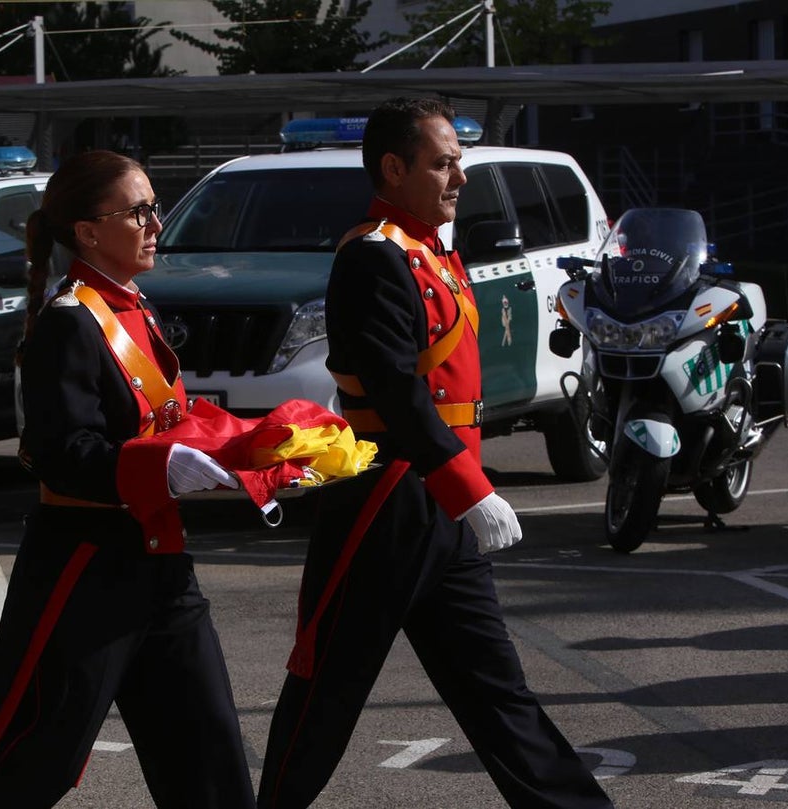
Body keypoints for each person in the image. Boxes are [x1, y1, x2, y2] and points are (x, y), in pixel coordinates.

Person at [256, 98, 614, 809]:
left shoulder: (428, 248)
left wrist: (464, 488)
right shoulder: (373, 257)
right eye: (444, 162)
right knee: (327, 686)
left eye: (459, 161)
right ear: (395, 168)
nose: (461, 177)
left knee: (495, 689)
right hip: (387, 497)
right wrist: (470, 488)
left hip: (440, 501)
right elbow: (395, 390)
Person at [0, 150, 257, 809]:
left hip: (161, 565)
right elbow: (62, 452)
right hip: (86, 571)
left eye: (155, 206)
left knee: (209, 760)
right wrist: (159, 465)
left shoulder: (134, 309)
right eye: (138, 211)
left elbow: (168, 422)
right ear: (89, 231)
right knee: (23, 760)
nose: (156, 221)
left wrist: (254, 449)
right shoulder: (70, 322)